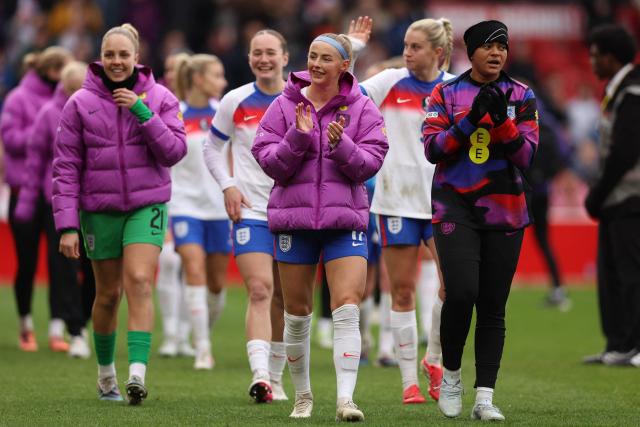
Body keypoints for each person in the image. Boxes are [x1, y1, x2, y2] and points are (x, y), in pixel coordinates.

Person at [204, 18, 373, 404]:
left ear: (284, 58)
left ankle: (288, 380)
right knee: (262, 289)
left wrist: (355, 47)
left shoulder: (336, 100)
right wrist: (229, 185)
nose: (263, 59)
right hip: (255, 208)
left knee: (288, 299)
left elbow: (342, 77)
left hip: (315, 214)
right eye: (256, 53)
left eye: (270, 53)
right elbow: (215, 149)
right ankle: (263, 375)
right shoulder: (239, 101)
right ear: (248, 58)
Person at [252, 32, 388, 421]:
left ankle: (346, 399)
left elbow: (370, 163)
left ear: (345, 65)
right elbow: (270, 163)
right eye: (312, 56)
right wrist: (297, 136)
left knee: (346, 306)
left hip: (344, 221)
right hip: (294, 221)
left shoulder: (362, 108)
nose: (315, 64)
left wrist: (341, 144)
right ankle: (303, 396)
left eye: (325, 58)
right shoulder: (283, 105)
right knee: (296, 312)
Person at [53, 23, 186, 404]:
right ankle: (106, 375)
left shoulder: (160, 97)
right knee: (108, 294)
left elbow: (174, 152)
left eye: (123, 55)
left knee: (141, 281)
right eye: (109, 54)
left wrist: (143, 111)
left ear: (136, 58)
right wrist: (67, 225)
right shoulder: (79, 103)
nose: (116, 61)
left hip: (147, 205)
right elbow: (65, 167)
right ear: (100, 56)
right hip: (100, 210)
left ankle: (137, 376)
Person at [423, 20, 538, 421]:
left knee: (493, 304)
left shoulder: (521, 95)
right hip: (454, 208)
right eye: (488, 46)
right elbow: (433, 149)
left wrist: (503, 123)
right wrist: (470, 120)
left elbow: (527, 158)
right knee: (461, 293)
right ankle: (450, 376)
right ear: (469, 52)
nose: (496, 53)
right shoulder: (445, 93)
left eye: (502, 47)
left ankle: (484, 397)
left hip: (506, 211)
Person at [359, 17, 454, 404]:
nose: (407, 53)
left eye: (416, 47)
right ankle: (407, 384)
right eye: (406, 45)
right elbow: (344, 93)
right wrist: (352, 45)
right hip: (396, 200)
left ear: (438, 52)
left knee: (454, 288)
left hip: (444, 201)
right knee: (401, 291)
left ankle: (433, 358)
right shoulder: (390, 81)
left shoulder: (454, 90)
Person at [14, 61, 94, 358]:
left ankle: (80, 323)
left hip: (95, 200)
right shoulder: (49, 114)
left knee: (93, 269)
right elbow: (34, 164)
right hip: (58, 200)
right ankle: (72, 328)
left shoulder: (96, 109)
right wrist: (25, 204)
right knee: (65, 267)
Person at [0, 46, 73, 352]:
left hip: (56, 192)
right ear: (50, 70)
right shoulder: (18, 98)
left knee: (60, 264)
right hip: (23, 190)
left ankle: (57, 328)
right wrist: (43, 132)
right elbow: (10, 139)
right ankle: (26, 324)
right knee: (27, 263)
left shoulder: (69, 99)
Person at [582, 24, 640, 367]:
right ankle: (619, 344)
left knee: (630, 273)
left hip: (631, 196)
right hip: (617, 197)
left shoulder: (633, 92)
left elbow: (625, 151)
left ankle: (633, 343)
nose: (591, 62)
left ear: (610, 56)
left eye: (595, 55)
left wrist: (597, 193)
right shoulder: (619, 90)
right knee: (613, 273)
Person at [169, 53, 230, 370]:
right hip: (184, 204)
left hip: (219, 208)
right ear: (198, 79)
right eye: (217, 75)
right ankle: (203, 349)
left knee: (216, 284)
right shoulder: (174, 114)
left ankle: (202, 332)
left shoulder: (224, 113)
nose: (223, 82)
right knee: (193, 268)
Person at [156, 50, 194, 359]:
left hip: (199, 203)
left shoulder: (206, 110)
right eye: (168, 68)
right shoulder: (159, 105)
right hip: (167, 197)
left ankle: (185, 332)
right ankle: (170, 332)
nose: (172, 74)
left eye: (177, 68)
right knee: (169, 263)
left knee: (194, 271)